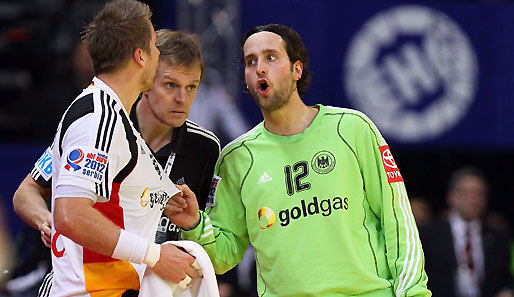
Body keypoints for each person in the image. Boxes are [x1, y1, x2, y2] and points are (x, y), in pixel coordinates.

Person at [169, 23, 430, 296]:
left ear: (297, 69)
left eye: (271, 57)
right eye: (250, 61)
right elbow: (223, 256)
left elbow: (398, 220)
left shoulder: (352, 129)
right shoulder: (236, 159)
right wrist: (194, 224)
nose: (259, 67)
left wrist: (414, 292)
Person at [13, 28, 220, 295]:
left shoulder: (205, 147)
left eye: (192, 87)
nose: (182, 99)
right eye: (170, 85)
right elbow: (26, 192)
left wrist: (194, 224)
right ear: (147, 76)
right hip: (85, 284)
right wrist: (47, 220)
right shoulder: (100, 127)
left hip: (156, 286)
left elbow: (210, 240)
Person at [419, 167, 514, 297]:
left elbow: (506, 278)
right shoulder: (428, 236)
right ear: (451, 197)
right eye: (466, 193)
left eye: (478, 193)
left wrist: (508, 290)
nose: (472, 200)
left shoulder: (497, 237)